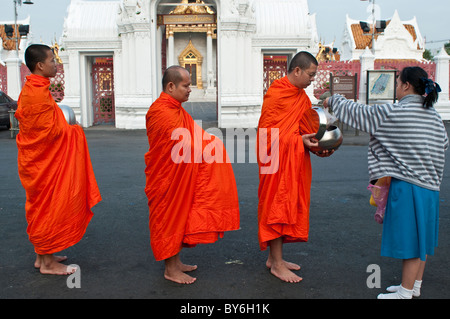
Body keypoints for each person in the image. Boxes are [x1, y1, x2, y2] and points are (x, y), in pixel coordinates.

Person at [324, 66, 448, 299]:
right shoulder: (433, 115)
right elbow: (443, 145)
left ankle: (404, 292)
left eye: (398, 82)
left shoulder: (393, 113)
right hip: (431, 188)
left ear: (406, 86)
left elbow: (358, 113)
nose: (396, 87)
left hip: (409, 185)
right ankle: (414, 286)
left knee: (411, 241)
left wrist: (334, 99)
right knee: (423, 240)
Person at [144, 65, 240, 284]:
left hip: (180, 174)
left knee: (181, 216)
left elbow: (195, 136)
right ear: (171, 86)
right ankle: (170, 269)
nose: (190, 90)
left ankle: (176, 262)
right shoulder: (160, 112)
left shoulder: (176, 109)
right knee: (169, 218)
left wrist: (211, 143)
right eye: (186, 85)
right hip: (167, 178)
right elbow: (180, 145)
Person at [15, 44, 102, 275]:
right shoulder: (35, 93)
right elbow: (49, 134)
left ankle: (43, 255)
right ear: (40, 65)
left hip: (38, 163)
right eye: (52, 60)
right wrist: (75, 132)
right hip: (43, 164)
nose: (56, 64)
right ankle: (47, 264)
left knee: (41, 208)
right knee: (48, 208)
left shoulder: (34, 88)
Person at [257, 51, 333, 283]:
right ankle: (277, 264)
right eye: (311, 74)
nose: (313, 79)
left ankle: (275, 258)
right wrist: (298, 141)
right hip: (276, 163)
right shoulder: (277, 94)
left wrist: (320, 145)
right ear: (297, 70)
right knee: (276, 209)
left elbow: (304, 129)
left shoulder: (301, 98)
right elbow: (266, 138)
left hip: (295, 161)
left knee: (287, 206)